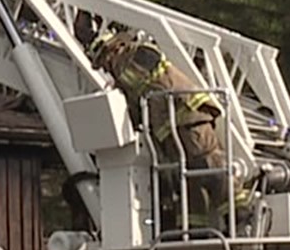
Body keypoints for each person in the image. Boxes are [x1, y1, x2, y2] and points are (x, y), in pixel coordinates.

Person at [92, 31, 230, 226]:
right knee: (185, 182)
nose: (106, 68)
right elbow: (137, 107)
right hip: (169, 131)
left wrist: (119, 88)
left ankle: (242, 213)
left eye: (105, 61)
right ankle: (193, 229)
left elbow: (140, 77)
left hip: (189, 116)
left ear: (115, 48)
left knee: (211, 165)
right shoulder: (124, 75)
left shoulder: (141, 53)